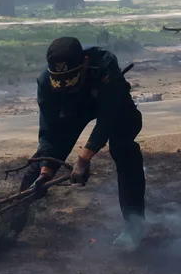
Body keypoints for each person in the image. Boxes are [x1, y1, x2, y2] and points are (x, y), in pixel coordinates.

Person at [21, 36, 145, 250]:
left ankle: (134, 226)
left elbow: (108, 118)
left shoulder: (105, 66)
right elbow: (50, 131)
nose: (65, 88)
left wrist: (84, 157)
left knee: (124, 149)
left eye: (70, 81)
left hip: (112, 105)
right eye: (60, 84)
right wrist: (46, 169)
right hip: (75, 109)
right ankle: (13, 221)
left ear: (85, 63)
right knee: (40, 166)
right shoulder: (46, 83)